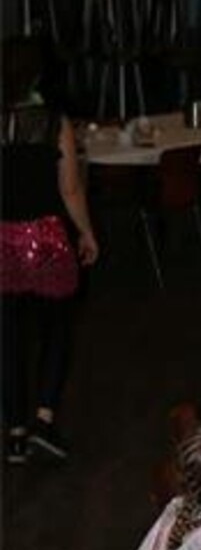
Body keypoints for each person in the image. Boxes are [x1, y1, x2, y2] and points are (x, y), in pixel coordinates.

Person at [1, 36, 99, 463]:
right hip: (46, 238)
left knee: (7, 336)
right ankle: (44, 418)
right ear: (38, 74)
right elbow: (70, 189)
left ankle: (14, 432)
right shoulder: (54, 122)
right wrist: (87, 233)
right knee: (57, 330)